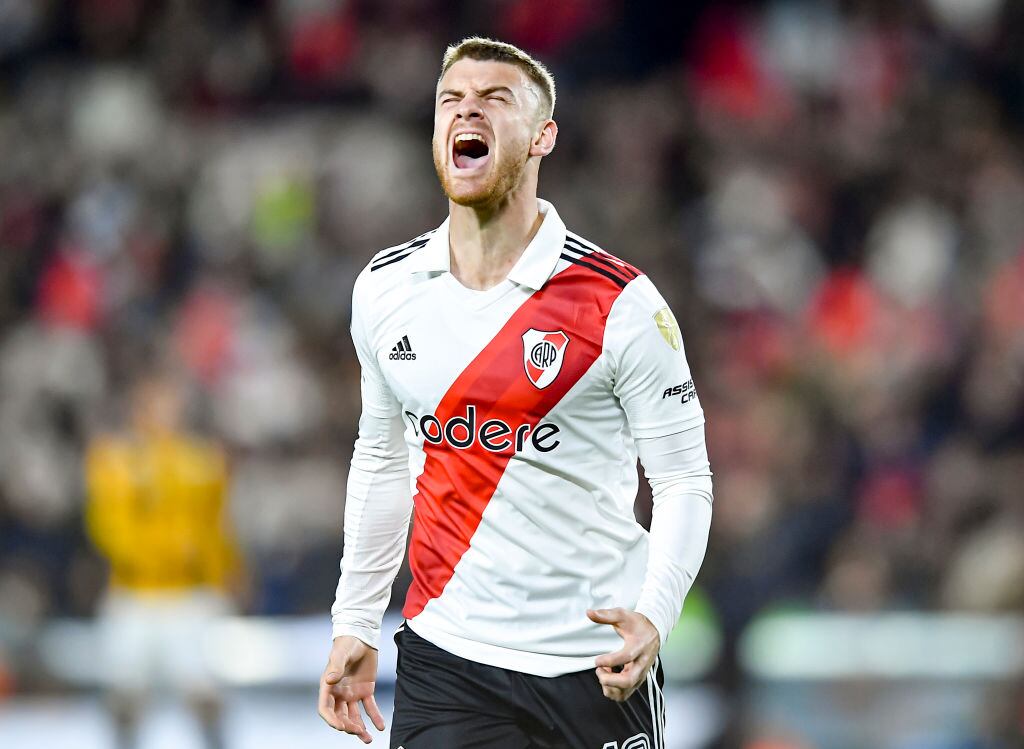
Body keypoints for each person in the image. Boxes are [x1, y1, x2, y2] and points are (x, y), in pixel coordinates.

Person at [319, 37, 713, 748]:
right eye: (451, 99)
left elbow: (684, 478)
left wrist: (656, 612)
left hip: (593, 663)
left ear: (542, 136)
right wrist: (356, 617)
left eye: (494, 99)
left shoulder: (620, 304)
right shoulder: (385, 289)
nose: (467, 110)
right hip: (448, 660)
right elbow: (380, 458)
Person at [85, 371, 239, 749]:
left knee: (204, 694)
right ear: (137, 410)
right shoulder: (115, 460)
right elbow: (107, 525)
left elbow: (217, 524)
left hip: (189, 593)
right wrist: (153, 552)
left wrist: (226, 571)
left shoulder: (202, 460)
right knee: (125, 697)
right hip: (134, 591)